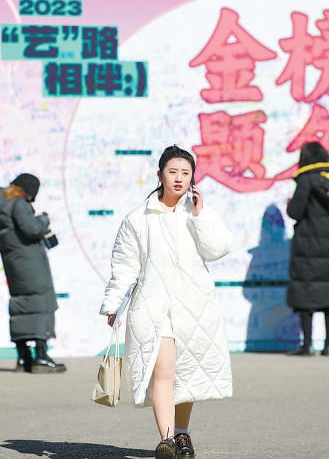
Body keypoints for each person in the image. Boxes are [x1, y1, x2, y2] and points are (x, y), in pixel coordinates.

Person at [99, 145, 233, 459]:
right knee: (163, 370)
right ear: (159, 175)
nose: (179, 178)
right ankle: (167, 439)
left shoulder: (198, 213)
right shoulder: (137, 218)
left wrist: (200, 216)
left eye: (185, 173)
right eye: (173, 172)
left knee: (186, 371)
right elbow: (124, 265)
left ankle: (182, 433)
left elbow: (218, 249)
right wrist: (113, 305)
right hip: (153, 305)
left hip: (193, 305)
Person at [0, 173, 65, 374]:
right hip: (30, 263)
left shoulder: (0, 206)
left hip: (14, 264)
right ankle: (41, 358)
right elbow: (32, 228)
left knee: (21, 305)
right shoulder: (18, 204)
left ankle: (23, 358)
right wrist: (43, 219)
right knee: (41, 303)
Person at [286, 141, 329, 356]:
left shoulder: (306, 179)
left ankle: (307, 345)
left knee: (306, 294)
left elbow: (295, 212)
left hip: (308, 246)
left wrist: (290, 203)